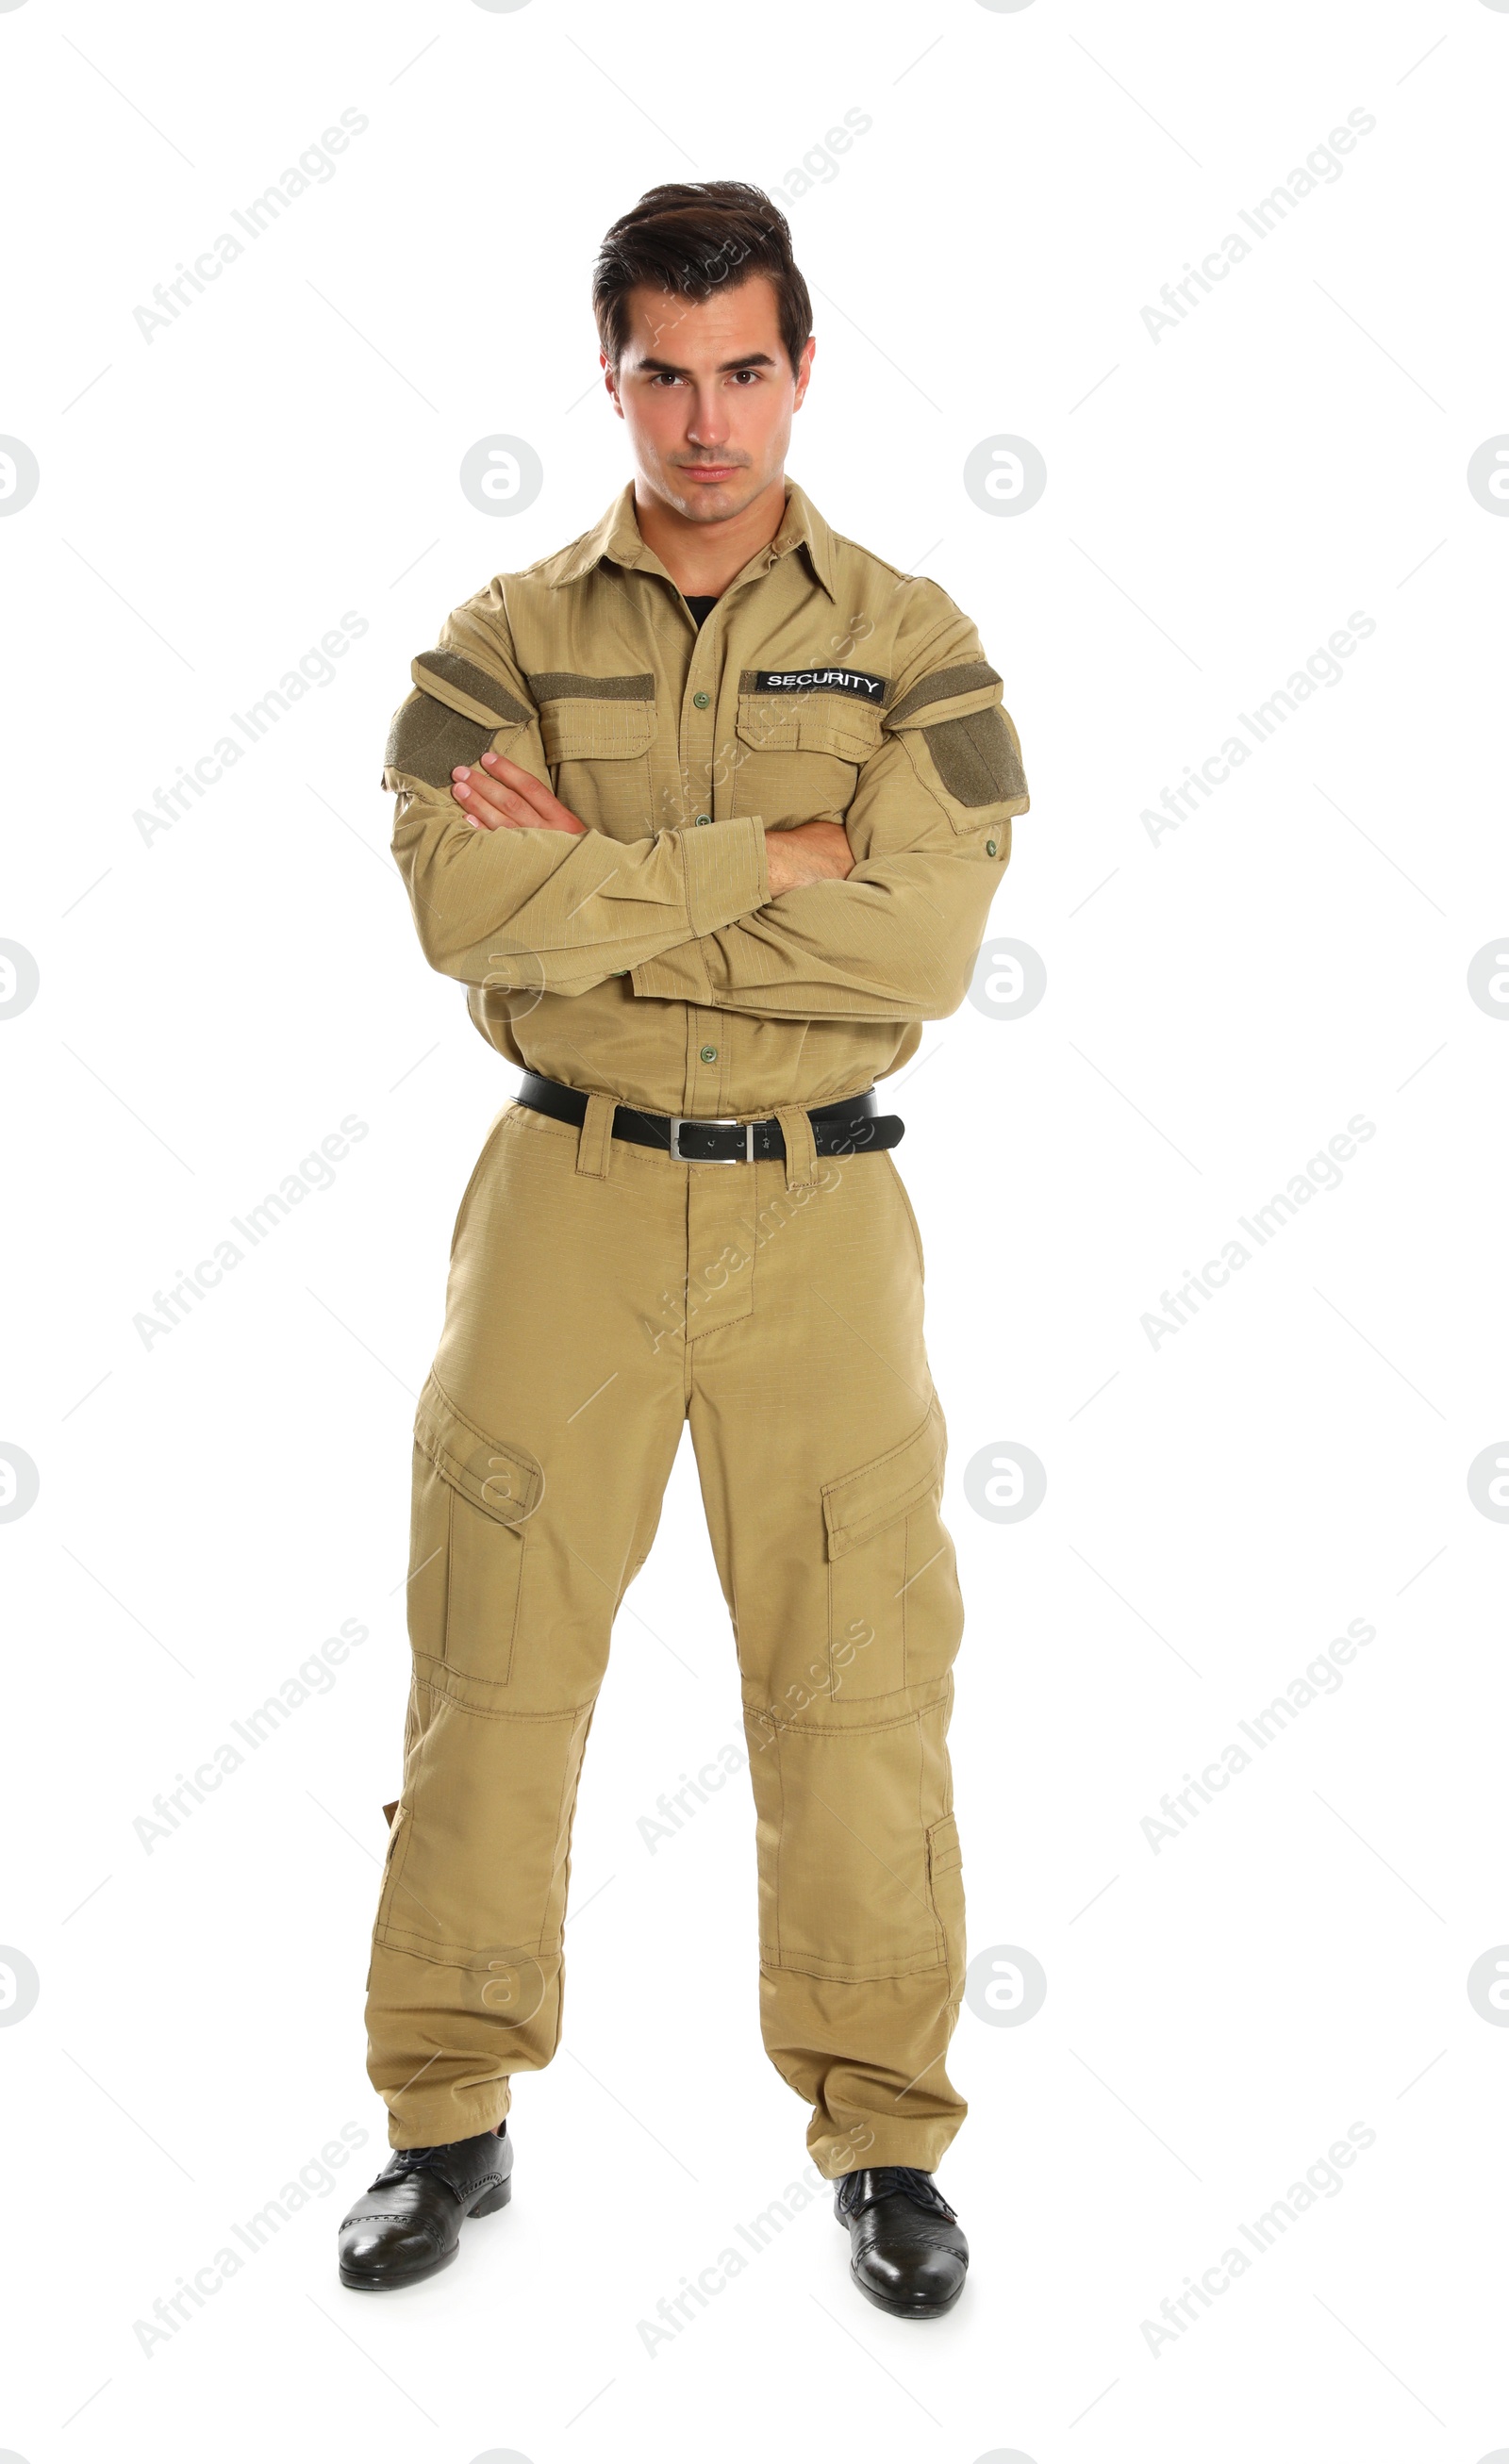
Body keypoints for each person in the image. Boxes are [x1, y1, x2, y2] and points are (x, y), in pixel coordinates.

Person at [338, 180, 1029, 2321]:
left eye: (744, 368)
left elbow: (920, 931)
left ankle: (886, 2134)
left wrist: (618, 869)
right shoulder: (500, 639)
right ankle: (442, 2114)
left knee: (853, 1684)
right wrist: (773, 850)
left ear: (801, 368)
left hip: (825, 1213)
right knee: (494, 1667)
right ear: (610, 373)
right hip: (567, 1199)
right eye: (662, 369)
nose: (705, 417)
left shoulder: (918, 640)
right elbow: (465, 910)